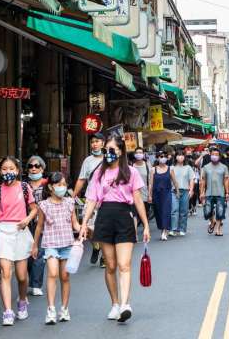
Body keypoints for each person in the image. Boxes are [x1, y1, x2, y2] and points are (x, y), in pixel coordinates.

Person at [78, 135, 150, 323]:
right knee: (110, 266)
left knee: (124, 265)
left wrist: (146, 225)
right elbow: (92, 199)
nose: (108, 154)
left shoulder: (131, 172)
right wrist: (84, 222)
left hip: (124, 217)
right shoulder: (98, 173)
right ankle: (115, 303)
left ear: (120, 151)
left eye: (112, 150)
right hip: (104, 217)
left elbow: (137, 199)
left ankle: (126, 304)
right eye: (106, 150)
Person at [0, 156, 38, 326]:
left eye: (11, 168)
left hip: (20, 232)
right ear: (0, 171)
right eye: (4, 169)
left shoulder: (24, 188)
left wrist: (27, 220)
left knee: (22, 276)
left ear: (17, 170)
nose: (8, 172)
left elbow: (34, 209)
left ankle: (22, 301)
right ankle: (7, 311)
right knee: (5, 272)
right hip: (3, 232)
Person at [31, 172, 81, 325]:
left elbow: (75, 224)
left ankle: (64, 309)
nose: (62, 187)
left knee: (65, 277)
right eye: (59, 185)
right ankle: (51, 309)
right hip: (51, 245)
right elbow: (39, 227)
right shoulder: (44, 205)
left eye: (64, 184)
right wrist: (35, 245)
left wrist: (84, 229)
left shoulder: (70, 203)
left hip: (67, 244)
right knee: (52, 274)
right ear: (51, 187)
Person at [72, 132, 105, 267]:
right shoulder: (88, 160)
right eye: (92, 142)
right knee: (89, 229)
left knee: (104, 228)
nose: (95, 144)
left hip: (106, 199)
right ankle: (96, 246)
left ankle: (104, 257)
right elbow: (82, 179)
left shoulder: (110, 159)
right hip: (91, 198)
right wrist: (73, 195)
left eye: (97, 141)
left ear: (103, 143)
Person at [25, 155, 47, 297]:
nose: (33, 168)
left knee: (39, 254)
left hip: (43, 224)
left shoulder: (48, 185)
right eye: (31, 166)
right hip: (26, 223)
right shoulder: (22, 185)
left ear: (42, 169)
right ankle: (30, 280)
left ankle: (36, 284)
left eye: (37, 166)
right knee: (27, 254)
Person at [200, 148, 229, 236]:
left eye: (217, 155)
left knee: (220, 212)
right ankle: (212, 221)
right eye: (213, 154)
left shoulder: (224, 167)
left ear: (219, 156)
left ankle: (218, 229)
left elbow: (226, 180)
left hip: (220, 193)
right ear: (210, 155)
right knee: (207, 212)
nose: (215, 156)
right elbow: (203, 180)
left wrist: (227, 192)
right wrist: (202, 192)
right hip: (208, 193)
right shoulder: (206, 167)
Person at [149, 151, 178, 241]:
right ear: (157, 158)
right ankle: (162, 229)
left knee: (166, 211)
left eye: (165, 156)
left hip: (167, 193)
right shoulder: (153, 169)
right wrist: (149, 195)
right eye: (161, 156)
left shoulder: (170, 169)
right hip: (156, 193)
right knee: (158, 213)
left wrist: (177, 191)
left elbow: (174, 181)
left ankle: (165, 231)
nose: (163, 158)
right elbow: (150, 184)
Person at [170, 150, 195, 236]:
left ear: (184, 157)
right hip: (173, 191)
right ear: (175, 157)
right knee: (174, 209)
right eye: (178, 155)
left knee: (184, 211)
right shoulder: (171, 168)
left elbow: (191, 179)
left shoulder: (188, 167)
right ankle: (173, 229)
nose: (180, 157)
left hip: (185, 191)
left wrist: (191, 190)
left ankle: (182, 229)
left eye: (182, 155)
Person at [132, 147, 153, 223]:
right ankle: (135, 233)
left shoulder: (147, 165)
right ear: (134, 154)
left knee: (144, 215)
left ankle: (146, 230)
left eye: (140, 152)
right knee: (135, 215)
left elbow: (150, 181)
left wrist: (150, 195)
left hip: (145, 194)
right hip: (134, 194)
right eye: (137, 153)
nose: (139, 154)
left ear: (143, 154)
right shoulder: (131, 165)